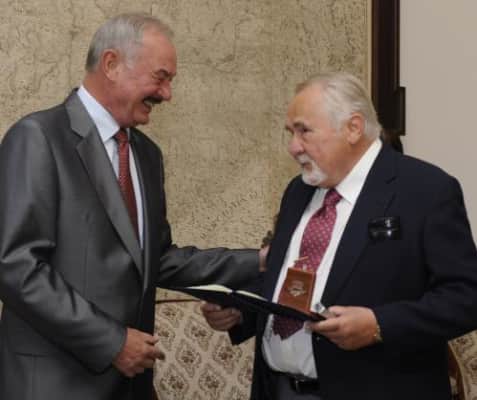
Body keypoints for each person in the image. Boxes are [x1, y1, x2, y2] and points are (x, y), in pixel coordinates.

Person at [0, 13, 263, 400]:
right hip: (54, 384)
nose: (167, 94)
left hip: (130, 386)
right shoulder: (38, 137)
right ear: (111, 64)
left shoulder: (146, 154)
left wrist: (260, 260)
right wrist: (112, 342)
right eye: (161, 77)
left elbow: (159, 260)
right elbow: (15, 267)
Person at [202, 72, 477, 400]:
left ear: (353, 128)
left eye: (304, 131)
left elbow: (466, 297)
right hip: (279, 389)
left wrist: (378, 324)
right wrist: (241, 312)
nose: (293, 147)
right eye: (291, 133)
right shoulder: (298, 191)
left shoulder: (425, 190)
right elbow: (292, 282)